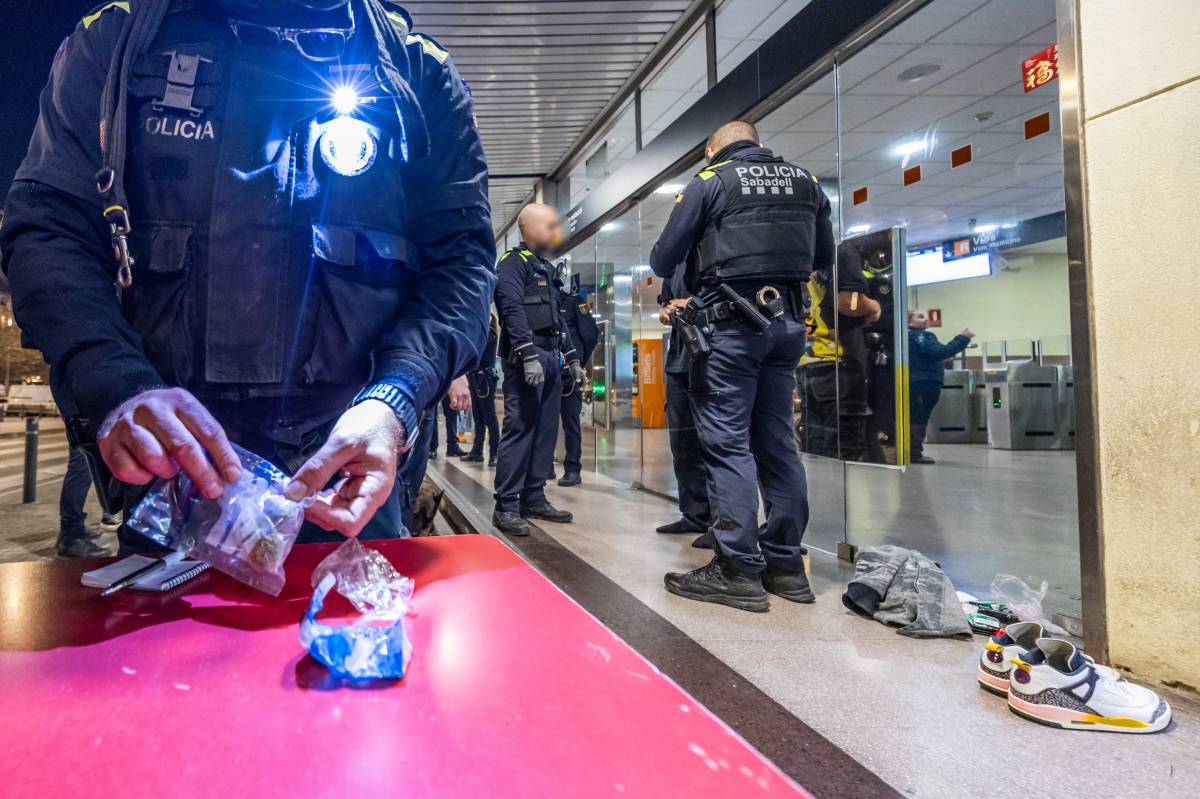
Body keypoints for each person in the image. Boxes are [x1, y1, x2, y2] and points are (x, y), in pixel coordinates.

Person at [0, 0, 495, 548]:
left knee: (353, 630)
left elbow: (462, 261)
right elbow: (48, 230)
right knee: (170, 636)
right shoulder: (117, 39)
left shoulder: (414, 68)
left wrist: (396, 399)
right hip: (174, 472)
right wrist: (117, 385)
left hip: (351, 467)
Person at [649, 120, 831, 612]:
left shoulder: (711, 182)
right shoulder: (806, 182)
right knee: (777, 445)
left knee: (727, 444)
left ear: (713, 148)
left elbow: (663, 259)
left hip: (731, 329)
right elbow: (823, 256)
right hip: (787, 326)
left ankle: (737, 569)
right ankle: (788, 567)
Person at [491, 204, 581, 537]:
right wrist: (527, 354)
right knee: (520, 429)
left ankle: (534, 495)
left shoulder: (545, 267)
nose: (553, 231)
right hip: (526, 359)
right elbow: (512, 309)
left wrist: (571, 357)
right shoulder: (512, 264)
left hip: (551, 356)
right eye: (547, 225)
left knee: (545, 430)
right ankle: (507, 505)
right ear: (527, 227)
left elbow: (559, 318)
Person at [798, 241, 881, 461]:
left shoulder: (804, 253)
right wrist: (874, 306)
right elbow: (848, 303)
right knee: (844, 447)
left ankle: (818, 495)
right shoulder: (843, 251)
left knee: (814, 445)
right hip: (839, 363)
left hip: (808, 362)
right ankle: (837, 496)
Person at [655, 270, 714, 547]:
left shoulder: (716, 250)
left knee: (715, 443)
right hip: (679, 357)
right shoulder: (676, 264)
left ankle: (721, 522)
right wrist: (667, 311)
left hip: (713, 356)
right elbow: (664, 306)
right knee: (682, 442)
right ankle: (694, 513)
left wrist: (692, 303)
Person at [551, 265, 598, 487]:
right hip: (548, 372)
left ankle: (572, 469)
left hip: (569, 373)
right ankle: (545, 466)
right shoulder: (543, 305)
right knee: (545, 422)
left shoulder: (572, 302)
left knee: (570, 422)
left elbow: (590, 335)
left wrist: (579, 360)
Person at [907, 311, 973, 464]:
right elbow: (939, 352)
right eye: (920, 317)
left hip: (914, 380)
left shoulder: (906, 337)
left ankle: (909, 450)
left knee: (914, 416)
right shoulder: (921, 336)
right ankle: (914, 453)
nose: (926, 319)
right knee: (919, 417)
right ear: (909, 322)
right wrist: (963, 338)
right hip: (924, 382)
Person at [57, 447, 118, 558]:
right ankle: (71, 536)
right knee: (81, 471)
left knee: (83, 470)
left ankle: (71, 530)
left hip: (84, 429)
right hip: (86, 430)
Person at [462, 313, 500, 466]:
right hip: (474, 376)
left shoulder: (489, 334)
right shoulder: (480, 334)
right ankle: (477, 451)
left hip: (485, 378)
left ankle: (495, 453)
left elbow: (476, 353)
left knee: (490, 417)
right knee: (478, 417)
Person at [427, 382, 469, 460]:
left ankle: (452, 447)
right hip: (436, 379)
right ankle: (432, 447)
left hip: (450, 379)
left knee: (452, 412)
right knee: (432, 414)